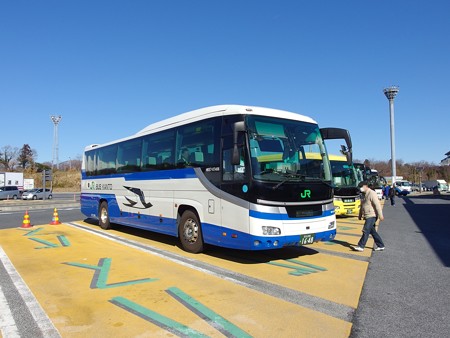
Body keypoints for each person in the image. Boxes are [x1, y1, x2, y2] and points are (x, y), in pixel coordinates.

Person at [352, 181, 385, 252]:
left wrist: (380, 215)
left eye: (361, 187)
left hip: (372, 215)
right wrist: (360, 215)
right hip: (367, 215)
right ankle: (381, 245)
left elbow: (377, 205)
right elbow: (362, 206)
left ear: (365, 186)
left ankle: (361, 246)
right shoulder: (363, 194)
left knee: (366, 230)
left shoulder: (372, 193)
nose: (360, 188)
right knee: (372, 231)